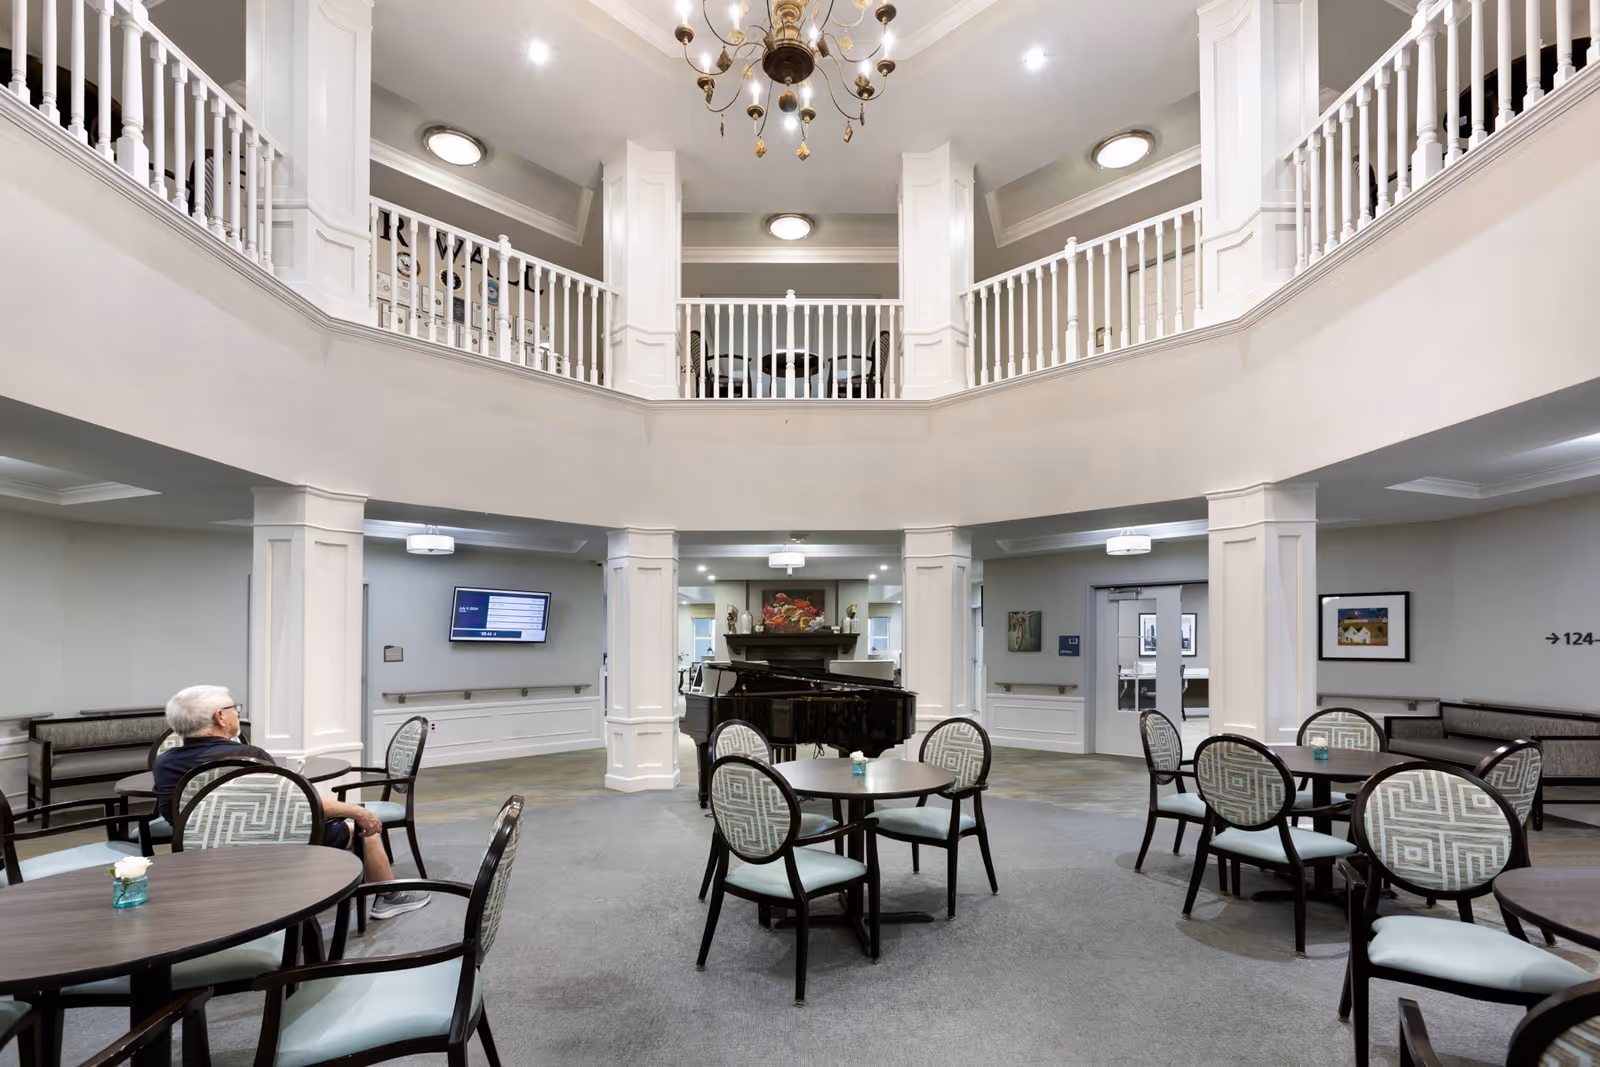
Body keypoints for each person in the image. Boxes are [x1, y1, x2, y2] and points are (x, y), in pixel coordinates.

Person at [154, 684, 429, 919]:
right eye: (234, 707)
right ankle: (389, 896)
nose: (237, 712)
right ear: (220, 717)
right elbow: (301, 805)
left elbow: (171, 811)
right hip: (271, 846)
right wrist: (357, 811)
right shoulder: (248, 756)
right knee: (363, 826)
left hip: (198, 850)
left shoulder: (164, 762)